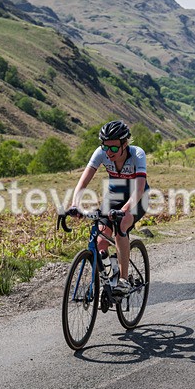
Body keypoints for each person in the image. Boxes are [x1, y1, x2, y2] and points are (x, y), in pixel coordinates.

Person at [68, 120, 149, 296]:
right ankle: (109, 271)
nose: (109, 152)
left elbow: (140, 188)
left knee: (121, 226)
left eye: (113, 148)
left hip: (138, 197)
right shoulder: (101, 153)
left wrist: (124, 210)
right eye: (106, 147)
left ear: (125, 144)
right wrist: (75, 204)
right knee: (100, 242)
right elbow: (83, 181)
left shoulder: (137, 154)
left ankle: (124, 280)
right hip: (114, 196)